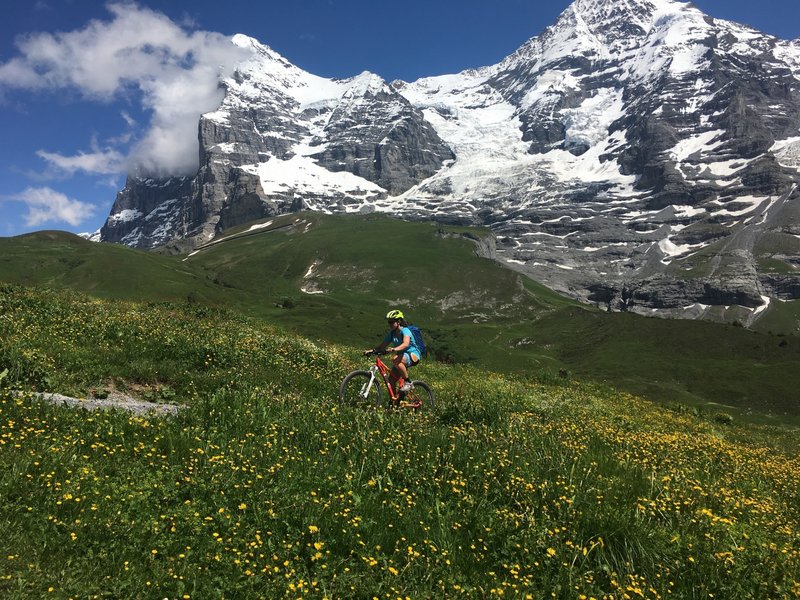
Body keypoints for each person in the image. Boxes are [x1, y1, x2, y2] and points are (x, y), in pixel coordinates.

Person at [365, 309, 421, 393]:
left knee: (395, 359)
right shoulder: (392, 333)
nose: (390, 324)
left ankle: (408, 382)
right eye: (389, 322)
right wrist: (372, 351)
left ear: (398, 321)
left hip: (413, 355)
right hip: (401, 357)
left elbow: (406, 344)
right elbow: (382, 346)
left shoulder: (405, 330)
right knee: (391, 381)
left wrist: (394, 349)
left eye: (391, 322)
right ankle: (394, 403)